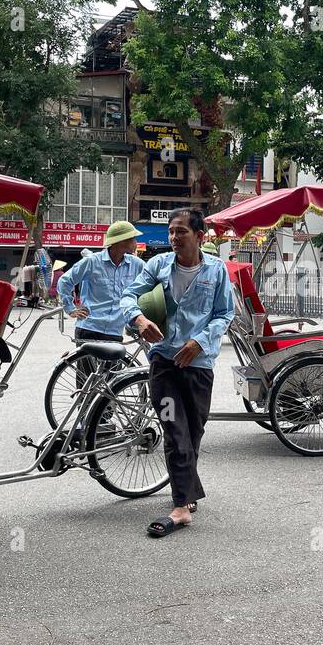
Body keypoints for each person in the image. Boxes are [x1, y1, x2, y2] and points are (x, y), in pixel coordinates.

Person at [120, 209, 234, 539]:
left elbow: (225, 313)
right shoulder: (157, 266)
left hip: (198, 366)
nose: (173, 237)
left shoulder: (216, 271)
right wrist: (139, 320)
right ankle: (181, 506)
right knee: (173, 428)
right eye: (171, 231)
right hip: (164, 364)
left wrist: (199, 342)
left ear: (200, 236)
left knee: (193, 430)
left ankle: (186, 491)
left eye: (181, 231)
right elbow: (128, 296)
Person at [57, 221, 145, 345]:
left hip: (115, 331)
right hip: (89, 328)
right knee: (86, 364)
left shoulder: (136, 264)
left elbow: (151, 284)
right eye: (134, 238)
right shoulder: (92, 262)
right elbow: (65, 281)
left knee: (114, 364)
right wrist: (70, 308)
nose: (136, 242)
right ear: (122, 241)